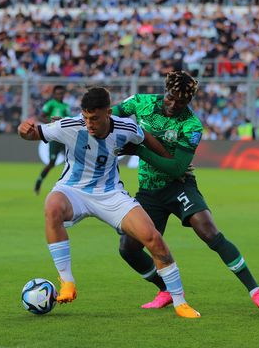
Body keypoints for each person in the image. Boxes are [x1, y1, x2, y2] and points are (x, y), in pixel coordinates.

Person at [18, 87, 201, 319]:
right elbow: (33, 133)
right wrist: (23, 130)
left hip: (110, 193)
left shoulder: (126, 128)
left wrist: (172, 163)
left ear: (108, 112)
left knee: (153, 237)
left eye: (94, 118)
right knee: (52, 205)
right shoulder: (70, 126)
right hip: (73, 190)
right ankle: (67, 281)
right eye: (85, 117)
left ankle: (180, 302)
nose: (89, 124)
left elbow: (147, 139)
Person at [113, 71, 259, 311]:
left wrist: (139, 151)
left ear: (189, 101)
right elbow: (107, 115)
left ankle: (257, 292)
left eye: (181, 101)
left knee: (208, 230)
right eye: (171, 97)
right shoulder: (141, 102)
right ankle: (165, 290)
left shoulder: (191, 125)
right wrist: (71, 123)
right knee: (128, 249)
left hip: (179, 186)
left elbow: (177, 168)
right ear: (165, 91)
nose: (173, 104)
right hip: (149, 191)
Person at [34, 85, 71, 195]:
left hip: (64, 138)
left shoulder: (66, 106)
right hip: (54, 138)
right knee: (51, 163)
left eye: (61, 93)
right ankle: (39, 182)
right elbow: (40, 117)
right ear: (54, 94)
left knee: (71, 161)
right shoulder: (50, 104)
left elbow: (68, 120)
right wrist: (50, 122)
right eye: (58, 93)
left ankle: (69, 187)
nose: (60, 95)